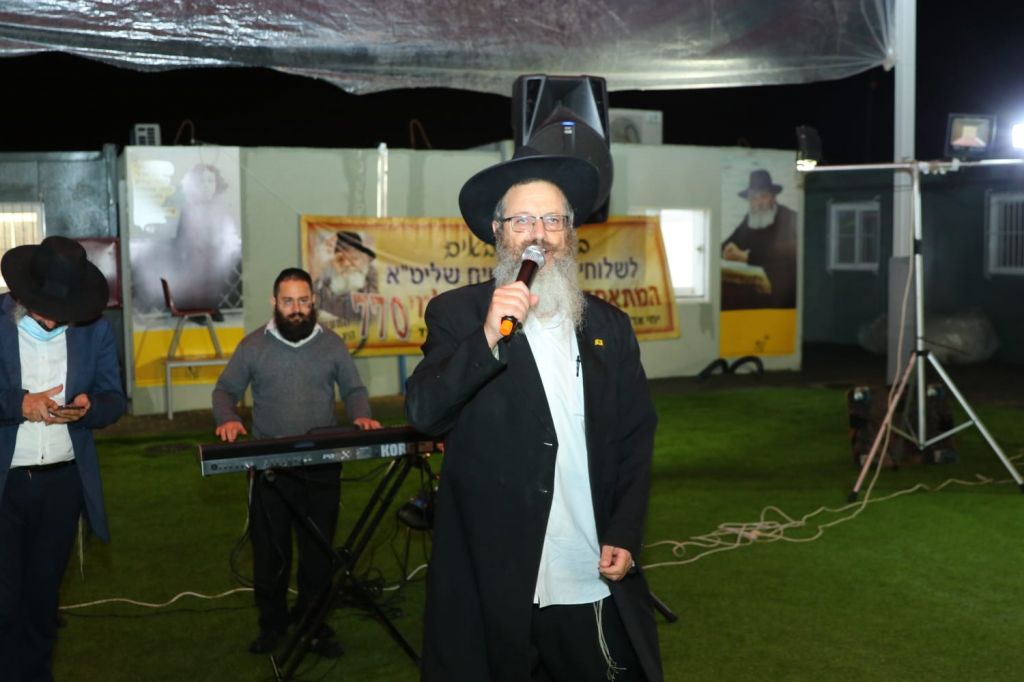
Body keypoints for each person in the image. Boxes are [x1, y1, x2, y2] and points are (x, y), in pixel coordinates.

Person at [405, 151, 662, 682]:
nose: (538, 234)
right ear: (498, 231)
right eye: (522, 220)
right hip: (497, 575)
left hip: (586, 568)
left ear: (570, 232)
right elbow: (425, 413)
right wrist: (488, 336)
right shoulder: (457, 314)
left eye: (552, 220)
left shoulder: (609, 327)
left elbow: (636, 439)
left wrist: (624, 530)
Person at [212, 267, 381, 657]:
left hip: (321, 469)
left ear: (313, 301)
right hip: (269, 470)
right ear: (274, 303)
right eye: (288, 301)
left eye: (303, 301)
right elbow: (224, 391)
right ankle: (272, 626)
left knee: (318, 555)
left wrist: (361, 414)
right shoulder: (253, 346)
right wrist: (228, 418)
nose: (296, 309)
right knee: (271, 555)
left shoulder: (332, 345)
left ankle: (314, 625)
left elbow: (354, 389)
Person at [0, 236, 126, 682]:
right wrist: (19, 405)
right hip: (6, 485)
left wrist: (91, 408)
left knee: (42, 600)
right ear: (22, 293)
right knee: (4, 601)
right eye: (42, 309)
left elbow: (114, 398)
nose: (51, 320)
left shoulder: (94, 330)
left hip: (63, 484)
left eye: (60, 311)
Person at [720, 169, 798, 309]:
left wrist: (746, 257)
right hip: (757, 293)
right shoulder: (751, 219)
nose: (759, 203)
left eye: (763, 196)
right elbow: (730, 242)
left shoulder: (790, 218)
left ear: (773, 197)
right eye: (754, 198)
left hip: (785, 297)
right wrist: (726, 251)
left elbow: (786, 253)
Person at [315, 230, 379, 326]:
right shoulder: (321, 285)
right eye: (340, 259)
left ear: (363, 260)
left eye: (354, 258)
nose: (347, 264)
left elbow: (369, 313)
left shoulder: (372, 278)